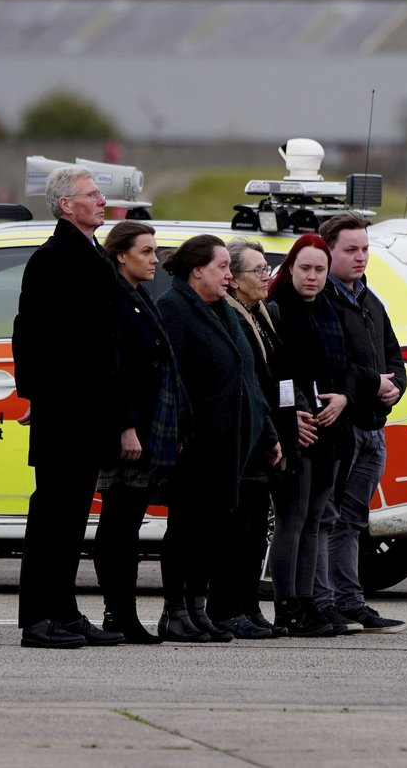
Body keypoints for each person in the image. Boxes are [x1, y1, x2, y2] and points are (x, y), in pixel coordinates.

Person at [11, 166, 126, 649]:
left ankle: (64, 611)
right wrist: (38, 395)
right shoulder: (54, 258)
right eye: (92, 195)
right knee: (53, 519)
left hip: (88, 411)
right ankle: (38, 620)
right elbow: (30, 334)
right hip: (65, 412)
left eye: (100, 194)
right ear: (65, 205)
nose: (102, 201)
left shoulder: (91, 254)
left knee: (72, 519)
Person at [156, 235, 281, 642]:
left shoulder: (222, 312)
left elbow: (248, 379)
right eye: (222, 267)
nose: (229, 275)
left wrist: (266, 432)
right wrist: (182, 430)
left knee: (209, 532)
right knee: (186, 532)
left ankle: (197, 608)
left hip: (232, 444)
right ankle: (175, 612)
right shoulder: (174, 310)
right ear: (197, 270)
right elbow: (171, 381)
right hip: (196, 444)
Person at [92, 220, 190, 645]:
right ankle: (119, 613)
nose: (155, 260)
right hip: (127, 430)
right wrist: (126, 427)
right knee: (118, 526)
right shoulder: (112, 298)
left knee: (126, 524)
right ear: (120, 255)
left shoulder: (138, 296)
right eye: (146, 252)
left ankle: (122, 614)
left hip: (150, 425)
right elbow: (115, 371)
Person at [313, 212, 407, 635]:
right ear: (327, 250)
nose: (361, 257)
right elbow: (337, 367)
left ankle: (351, 601)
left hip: (373, 427)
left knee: (354, 521)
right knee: (328, 517)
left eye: (365, 249)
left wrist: (395, 388)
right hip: (341, 427)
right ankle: (325, 602)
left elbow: (394, 358)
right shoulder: (322, 301)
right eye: (351, 249)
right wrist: (376, 383)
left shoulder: (370, 300)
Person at [266, 232, 353, 637]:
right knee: (293, 518)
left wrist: (344, 398)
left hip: (331, 428)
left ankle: (309, 603)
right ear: (290, 268)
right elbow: (278, 372)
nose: (313, 277)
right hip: (297, 428)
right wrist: (292, 414)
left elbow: (348, 363)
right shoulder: (278, 308)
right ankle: (288, 606)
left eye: (320, 269)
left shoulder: (330, 308)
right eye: (305, 268)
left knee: (316, 518)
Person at [219, 238, 303, 638]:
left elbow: (279, 375)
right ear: (233, 280)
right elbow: (249, 382)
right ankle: (229, 608)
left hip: (272, 434)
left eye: (266, 268)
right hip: (251, 437)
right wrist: (272, 432)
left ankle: (249, 606)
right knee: (240, 529)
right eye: (257, 270)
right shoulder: (232, 317)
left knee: (256, 530)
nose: (266, 275)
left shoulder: (264, 313)